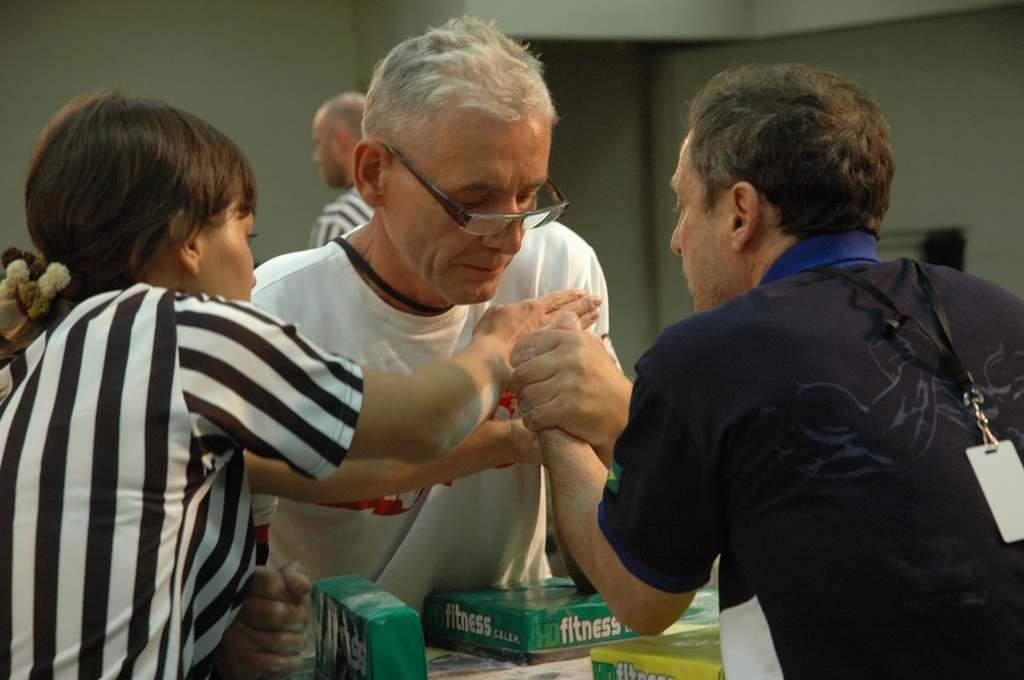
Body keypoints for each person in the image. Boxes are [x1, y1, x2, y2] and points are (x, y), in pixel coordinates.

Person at [0, 91, 599, 680]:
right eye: (245, 235)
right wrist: (495, 344)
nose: (250, 269)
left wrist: (223, 606)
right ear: (187, 243)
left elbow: (336, 473)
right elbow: (425, 424)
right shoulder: (186, 334)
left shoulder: (35, 358)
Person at [512, 63, 1024, 679]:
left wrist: (552, 409)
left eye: (682, 205)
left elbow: (641, 596)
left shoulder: (704, 357)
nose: (677, 239)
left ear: (739, 214)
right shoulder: (999, 311)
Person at [247, 15, 615, 616]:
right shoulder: (275, 309)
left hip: (511, 646)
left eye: (529, 195)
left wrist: (608, 416)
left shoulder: (559, 267)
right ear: (373, 175)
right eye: (472, 202)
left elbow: (606, 555)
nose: (512, 237)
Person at [309, 92, 373, 248]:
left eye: (318, 144)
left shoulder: (338, 221)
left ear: (339, 142)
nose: (316, 158)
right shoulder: (401, 209)